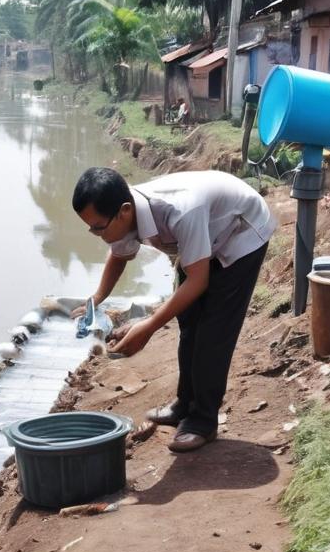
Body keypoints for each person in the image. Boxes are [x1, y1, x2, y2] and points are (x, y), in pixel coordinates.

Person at [72, 167, 276, 453]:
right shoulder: (123, 213)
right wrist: (97, 298)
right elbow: (119, 254)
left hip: (241, 231)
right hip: (206, 234)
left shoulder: (180, 211)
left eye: (97, 227)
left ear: (124, 211)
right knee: (189, 321)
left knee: (213, 330)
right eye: (90, 227)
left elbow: (198, 280)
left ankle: (204, 420)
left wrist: (149, 327)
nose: (95, 234)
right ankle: (185, 403)